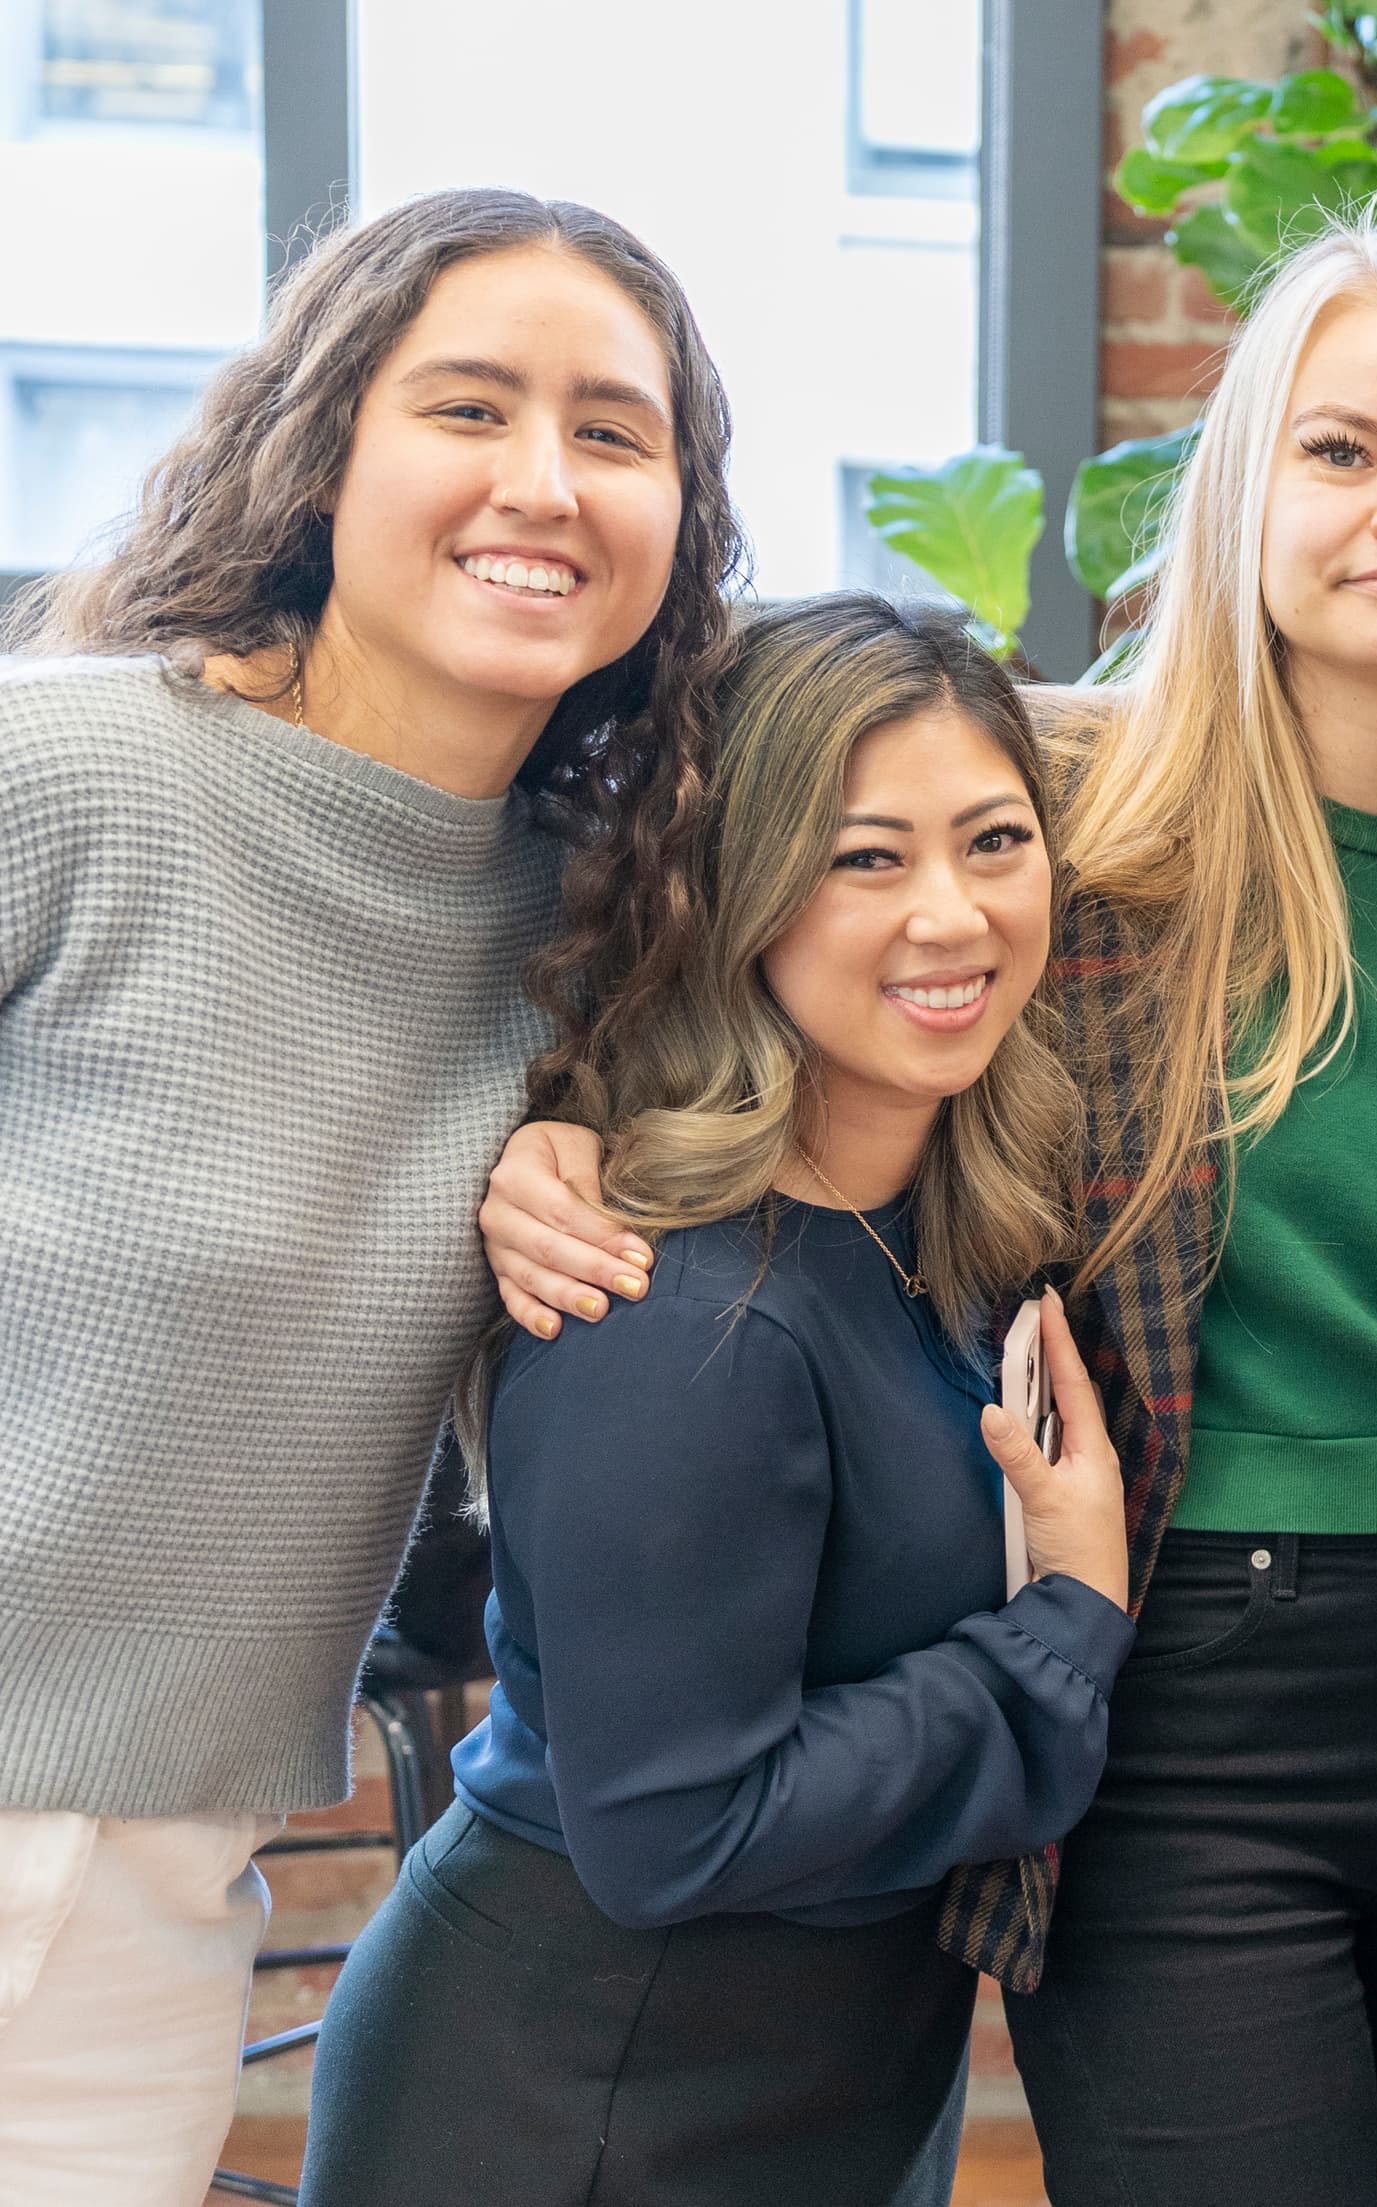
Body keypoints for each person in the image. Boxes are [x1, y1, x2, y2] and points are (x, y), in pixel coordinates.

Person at [475, 219, 1377, 2207]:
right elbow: (718, 894)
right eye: (1342, 453)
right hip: (1180, 1688)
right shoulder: (1060, 828)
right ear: (1245, 487)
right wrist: (554, 1120)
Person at [0, 190, 733, 2207]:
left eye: (614, 430)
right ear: (326, 450)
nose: (542, 483)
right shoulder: (65, 781)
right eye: (470, 408)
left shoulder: (596, 932)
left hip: (164, 1873)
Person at [300, 596, 1126, 2201]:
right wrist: (1065, 1624)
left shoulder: (937, 1231)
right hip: (582, 2102)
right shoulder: (678, 1313)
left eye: (996, 840)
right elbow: (677, 1830)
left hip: (809, 2089)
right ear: (739, 889)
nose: (950, 916)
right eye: (866, 856)